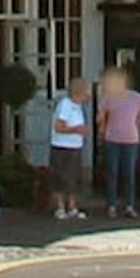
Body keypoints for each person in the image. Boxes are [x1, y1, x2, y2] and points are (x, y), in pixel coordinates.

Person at [95, 68, 140, 218]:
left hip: (130, 138)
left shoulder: (134, 97)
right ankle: (112, 205)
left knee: (129, 173)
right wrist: (101, 125)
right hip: (112, 137)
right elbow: (101, 116)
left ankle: (129, 205)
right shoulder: (108, 98)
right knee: (113, 172)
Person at [42, 80, 91, 222]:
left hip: (75, 146)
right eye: (85, 92)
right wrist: (77, 129)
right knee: (60, 178)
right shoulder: (65, 105)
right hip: (62, 146)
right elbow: (59, 126)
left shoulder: (79, 106)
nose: (87, 95)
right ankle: (60, 207)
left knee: (73, 179)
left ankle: (72, 207)